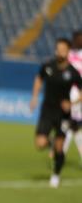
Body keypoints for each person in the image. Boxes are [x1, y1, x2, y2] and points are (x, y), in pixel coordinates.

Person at [29, 37, 82, 188]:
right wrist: (34, 97)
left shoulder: (72, 72)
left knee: (60, 149)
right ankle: (51, 144)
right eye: (58, 49)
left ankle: (56, 175)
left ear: (68, 51)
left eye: (63, 50)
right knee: (40, 143)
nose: (59, 52)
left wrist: (72, 103)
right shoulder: (48, 66)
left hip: (63, 115)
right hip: (47, 111)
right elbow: (39, 79)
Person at [63, 30, 82, 163]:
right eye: (77, 38)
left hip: (78, 91)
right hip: (67, 91)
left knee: (72, 124)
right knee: (73, 125)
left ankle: (60, 153)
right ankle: (60, 153)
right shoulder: (68, 54)